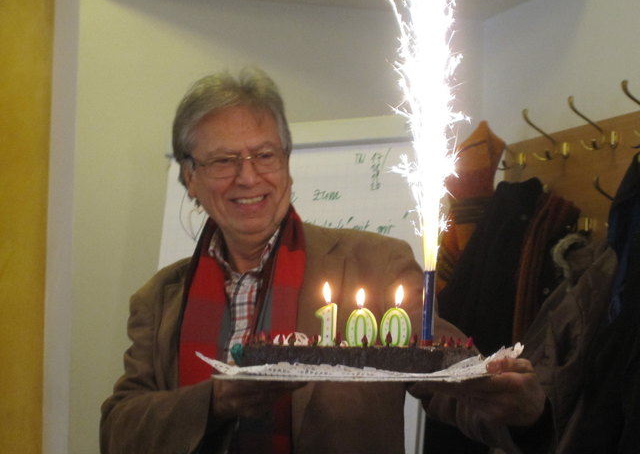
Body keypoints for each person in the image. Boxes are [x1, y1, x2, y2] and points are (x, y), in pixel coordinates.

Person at [100, 67, 549, 454]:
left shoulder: (375, 264)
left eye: (264, 154)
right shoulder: (160, 299)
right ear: (189, 178)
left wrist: (521, 414)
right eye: (223, 160)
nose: (249, 176)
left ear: (287, 164)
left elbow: (452, 385)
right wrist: (216, 401)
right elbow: (120, 431)